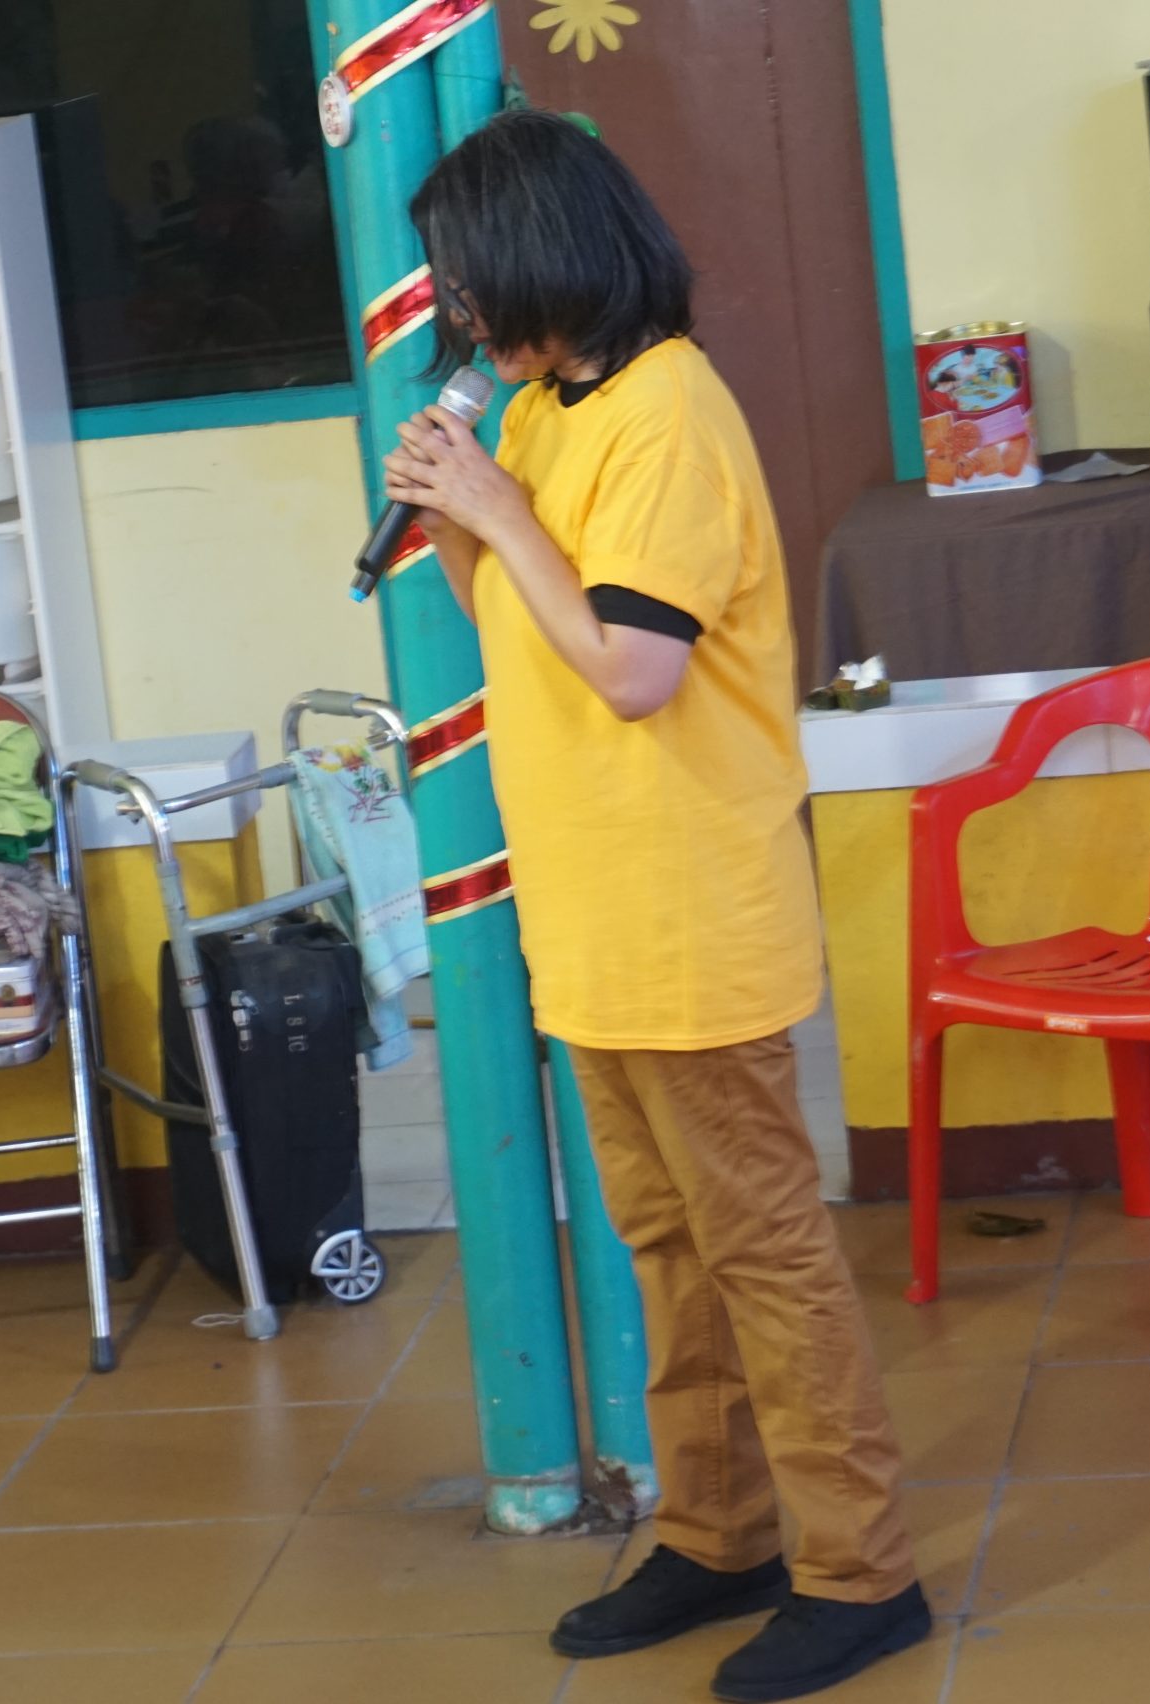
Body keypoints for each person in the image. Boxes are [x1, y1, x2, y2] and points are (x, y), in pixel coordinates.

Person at [382, 111, 928, 1703]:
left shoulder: (670, 411)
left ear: (543, 254)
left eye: (467, 279)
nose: (458, 312)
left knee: (764, 1253)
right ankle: (720, 1531)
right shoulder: (548, 410)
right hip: (591, 906)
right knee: (667, 1247)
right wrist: (458, 518)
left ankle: (861, 1573)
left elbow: (631, 670)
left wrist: (497, 512)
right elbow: (524, 626)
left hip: (688, 907)